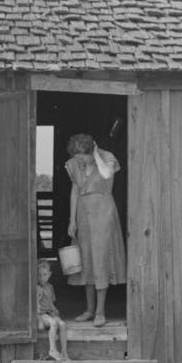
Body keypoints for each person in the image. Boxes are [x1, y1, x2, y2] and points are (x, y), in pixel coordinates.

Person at [66, 132, 126, 327]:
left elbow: (107, 174)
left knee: (101, 259)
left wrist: (96, 156)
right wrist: (71, 220)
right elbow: (75, 190)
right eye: (76, 157)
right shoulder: (74, 164)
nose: (79, 161)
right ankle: (89, 310)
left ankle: (100, 312)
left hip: (103, 211)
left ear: (91, 150)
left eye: (82, 156)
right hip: (83, 212)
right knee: (87, 259)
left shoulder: (107, 158)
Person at [37, 259, 69, 361]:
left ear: (50, 274)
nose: (42, 277)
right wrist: (39, 320)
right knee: (53, 323)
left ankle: (64, 353)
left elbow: (51, 302)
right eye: (39, 275)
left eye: (44, 274)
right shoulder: (36, 288)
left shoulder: (50, 287)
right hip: (41, 314)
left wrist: (55, 311)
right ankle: (52, 350)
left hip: (50, 313)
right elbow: (35, 306)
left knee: (62, 324)